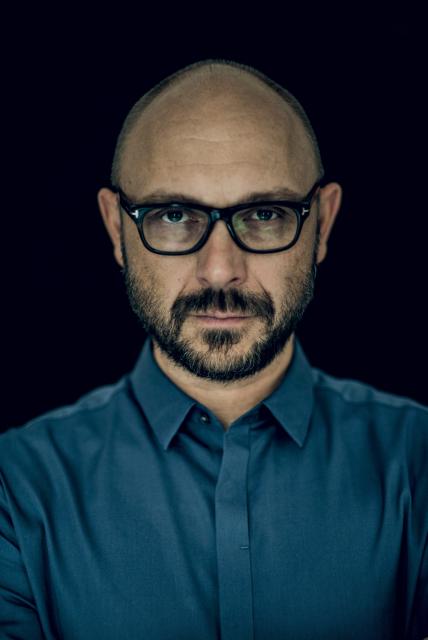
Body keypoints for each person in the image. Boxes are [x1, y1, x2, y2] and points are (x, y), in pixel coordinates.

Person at [0, 58, 426, 640]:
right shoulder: (15, 491)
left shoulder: (419, 464)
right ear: (116, 229)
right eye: (174, 215)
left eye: (266, 214)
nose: (220, 269)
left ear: (323, 224)